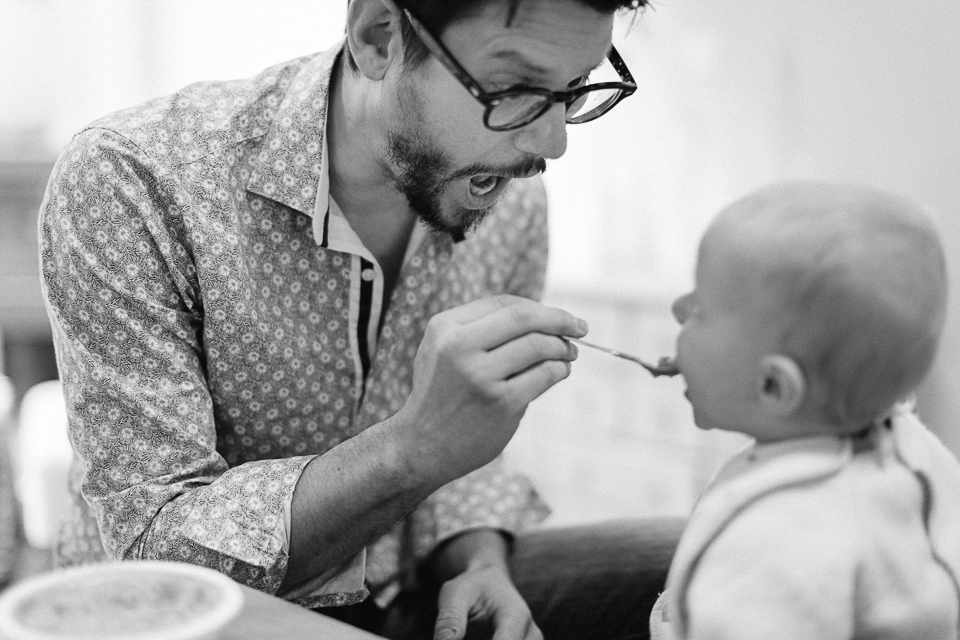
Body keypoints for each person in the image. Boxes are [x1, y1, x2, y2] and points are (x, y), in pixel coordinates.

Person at [39, 0, 682, 638]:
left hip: (405, 588)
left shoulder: (505, 197)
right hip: (189, 620)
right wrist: (413, 446)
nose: (552, 143)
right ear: (378, 36)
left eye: (572, 92)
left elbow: (469, 452)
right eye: (515, 88)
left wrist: (478, 560)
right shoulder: (133, 178)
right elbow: (156, 551)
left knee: (690, 560)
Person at [650, 181, 960, 639]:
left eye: (700, 309)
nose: (677, 309)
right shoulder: (913, 451)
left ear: (775, 386)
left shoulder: (771, 547)